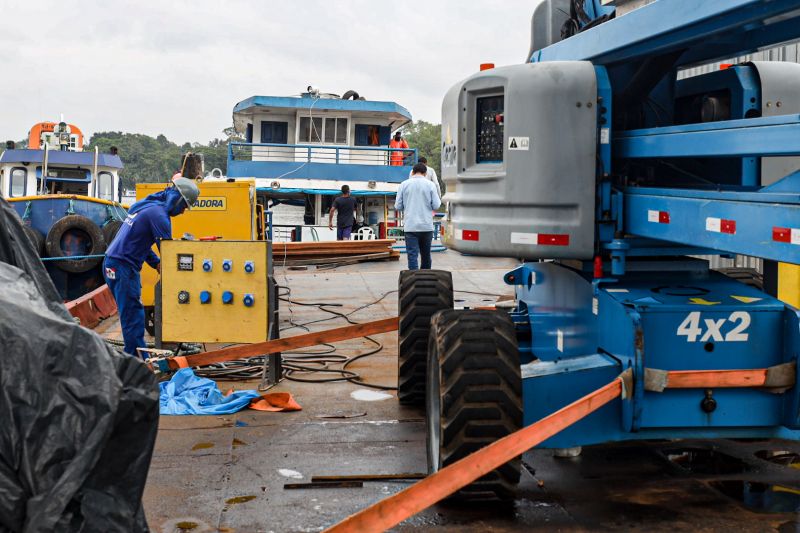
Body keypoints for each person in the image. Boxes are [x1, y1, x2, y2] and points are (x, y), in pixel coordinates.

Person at [103, 177, 200, 357]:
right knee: (133, 317)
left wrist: (156, 263)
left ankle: (137, 358)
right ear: (178, 199)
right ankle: (138, 364)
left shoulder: (145, 205)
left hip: (113, 264)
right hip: (123, 268)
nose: (183, 212)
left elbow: (140, 242)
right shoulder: (159, 215)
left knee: (131, 314)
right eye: (185, 206)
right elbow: (169, 252)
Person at [396, 163, 442, 270]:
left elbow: (398, 206)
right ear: (425, 173)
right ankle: (425, 281)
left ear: (412, 172)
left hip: (410, 227)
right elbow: (436, 205)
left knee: (412, 256)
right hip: (426, 226)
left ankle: (414, 281)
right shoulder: (430, 185)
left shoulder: (404, 184)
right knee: (426, 256)